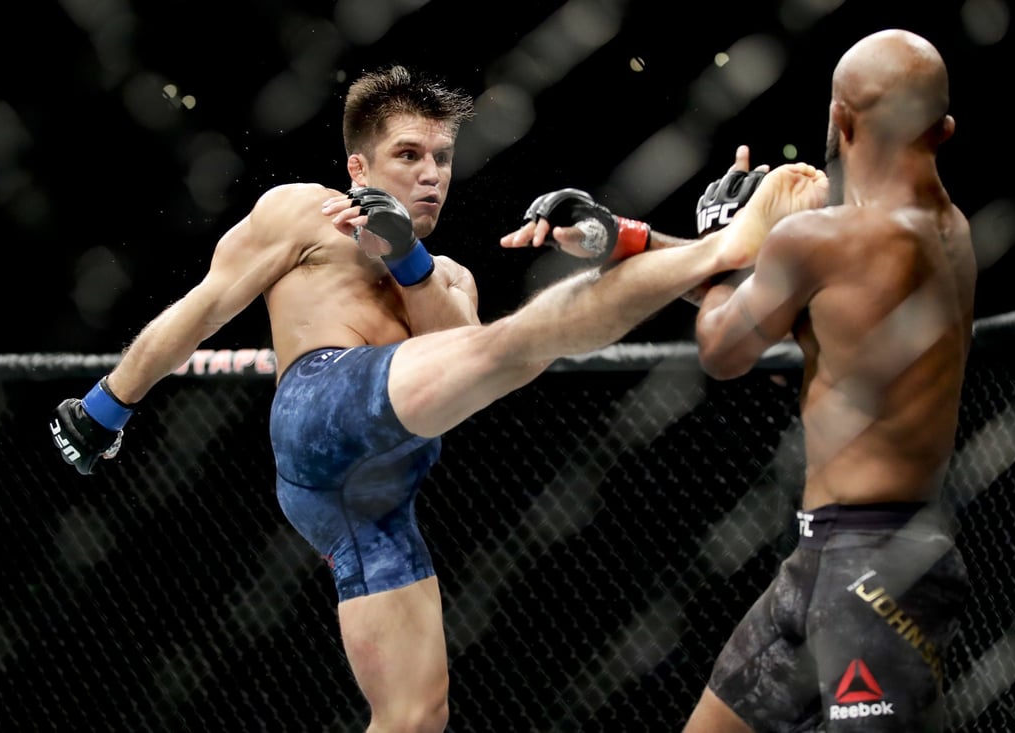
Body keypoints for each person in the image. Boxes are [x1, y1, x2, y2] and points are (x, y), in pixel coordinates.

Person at [47, 64, 828, 731]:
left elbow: (468, 363)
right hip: (321, 411)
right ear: (359, 167)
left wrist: (410, 261)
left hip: (373, 503)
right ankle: (719, 248)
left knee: (416, 715)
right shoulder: (303, 212)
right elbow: (203, 309)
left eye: (443, 157)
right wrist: (106, 405)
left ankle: (699, 250)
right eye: (408, 154)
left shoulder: (450, 276)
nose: (431, 173)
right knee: (523, 344)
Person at [682, 29, 975, 732]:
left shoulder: (824, 241)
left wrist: (730, 238)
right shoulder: (949, 231)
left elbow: (722, 348)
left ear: (841, 119)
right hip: (830, 553)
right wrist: (622, 239)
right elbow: (785, 302)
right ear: (943, 130)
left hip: (871, 572)